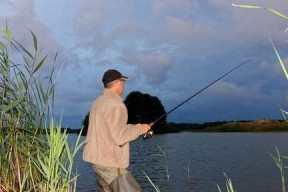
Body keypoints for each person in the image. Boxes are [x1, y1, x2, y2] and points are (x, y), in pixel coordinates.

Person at [83, 69, 151, 192]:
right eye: (122, 82)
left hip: (97, 161)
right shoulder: (116, 104)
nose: (123, 85)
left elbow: (111, 129)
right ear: (116, 83)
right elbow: (120, 136)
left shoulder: (97, 103)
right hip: (111, 163)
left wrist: (136, 126)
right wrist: (141, 129)